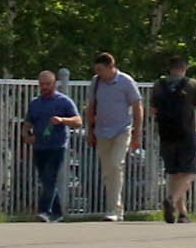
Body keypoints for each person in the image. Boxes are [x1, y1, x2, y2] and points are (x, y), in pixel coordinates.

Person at [149, 54, 196, 223]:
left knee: (173, 173)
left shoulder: (158, 85)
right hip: (185, 132)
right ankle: (172, 199)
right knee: (189, 172)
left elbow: (153, 109)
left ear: (169, 68)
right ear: (184, 68)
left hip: (165, 133)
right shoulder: (191, 84)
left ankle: (182, 213)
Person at [85, 52, 143, 221]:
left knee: (116, 164)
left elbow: (138, 107)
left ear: (112, 67)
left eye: (101, 70)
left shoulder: (126, 81)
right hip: (102, 131)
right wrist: (90, 131)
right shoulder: (96, 82)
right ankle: (113, 207)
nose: (99, 74)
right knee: (108, 170)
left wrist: (137, 134)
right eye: (96, 70)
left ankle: (115, 210)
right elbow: (91, 106)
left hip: (122, 130)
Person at [20, 70, 81, 223]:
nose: (44, 87)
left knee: (50, 178)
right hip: (40, 146)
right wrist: (26, 134)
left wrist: (62, 120)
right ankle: (58, 213)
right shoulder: (35, 103)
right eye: (42, 84)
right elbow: (28, 122)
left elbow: (78, 121)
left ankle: (44, 211)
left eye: (47, 84)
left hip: (57, 146)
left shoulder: (64, 101)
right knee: (45, 179)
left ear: (54, 84)